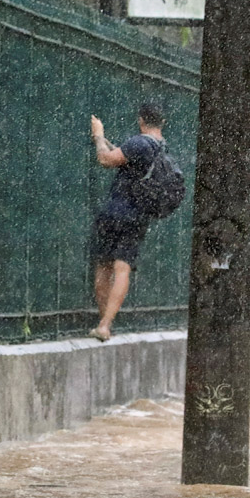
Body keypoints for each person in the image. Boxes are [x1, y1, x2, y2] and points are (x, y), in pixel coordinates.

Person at [88, 103, 166, 342]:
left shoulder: (138, 142)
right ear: (162, 123)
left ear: (141, 120)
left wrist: (98, 135)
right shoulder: (162, 148)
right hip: (138, 215)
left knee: (104, 266)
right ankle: (106, 323)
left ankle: (104, 323)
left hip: (115, 210)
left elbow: (104, 159)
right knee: (123, 269)